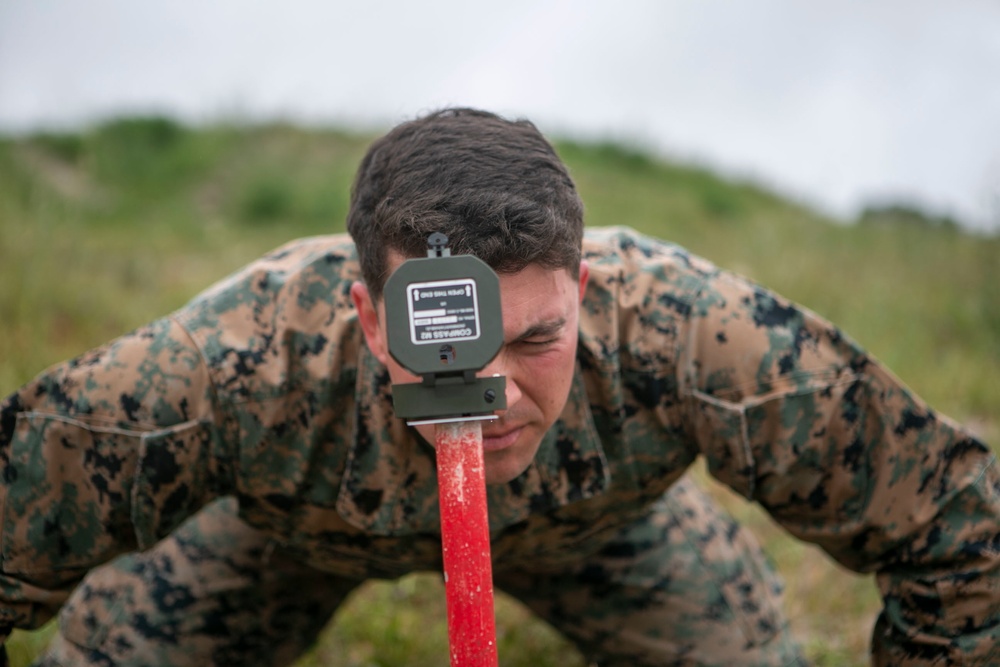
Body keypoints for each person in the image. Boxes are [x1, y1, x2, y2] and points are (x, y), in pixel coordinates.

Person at [1, 107, 997, 667]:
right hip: (278, 532)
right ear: (362, 313)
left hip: (601, 530)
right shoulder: (238, 359)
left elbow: (958, 532)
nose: (489, 392)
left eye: (535, 340)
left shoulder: (696, 333)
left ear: (588, 292)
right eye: (439, 345)